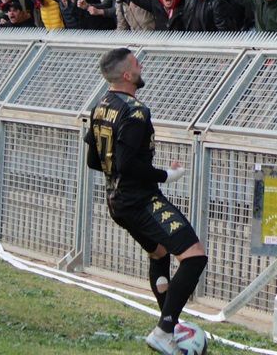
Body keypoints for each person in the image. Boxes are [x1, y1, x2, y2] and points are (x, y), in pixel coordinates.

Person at [85, 48, 207, 355]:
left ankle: (170, 324)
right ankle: (164, 330)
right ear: (127, 75)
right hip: (139, 200)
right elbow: (126, 164)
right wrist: (167, 175)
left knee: (159, 253)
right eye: (137, 64)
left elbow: (94, 161)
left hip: (116, 201)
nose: (141, 67)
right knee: (194, 256)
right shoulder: (136, 112)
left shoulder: (100, 106)